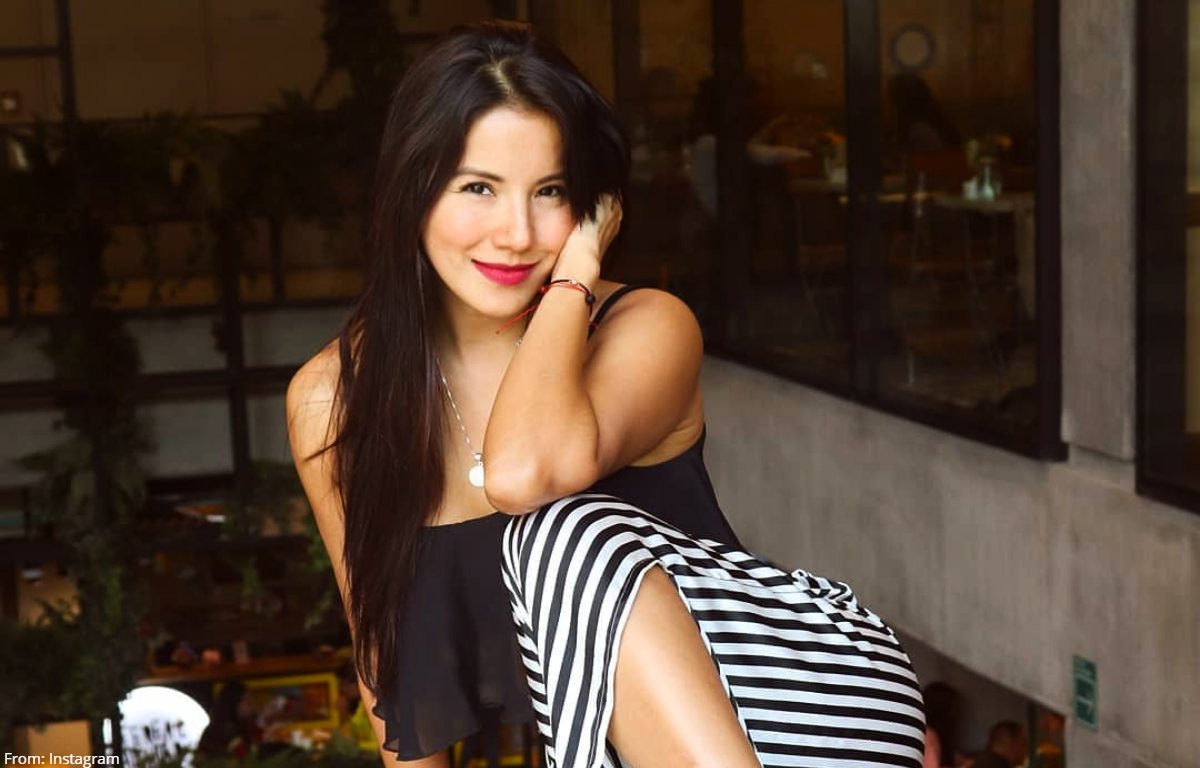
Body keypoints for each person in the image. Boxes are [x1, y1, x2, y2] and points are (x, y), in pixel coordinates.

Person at [287, 21, 923, 768]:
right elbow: (390, 672)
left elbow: (524, 474)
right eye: (478, 187)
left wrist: (575, 275)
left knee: (556, 533)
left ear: (591, 205)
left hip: (789, 703)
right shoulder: (336, 403)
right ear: (412, 191)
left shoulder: (645, 327)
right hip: (621, 753)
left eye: (551, 192)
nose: (516, 233)